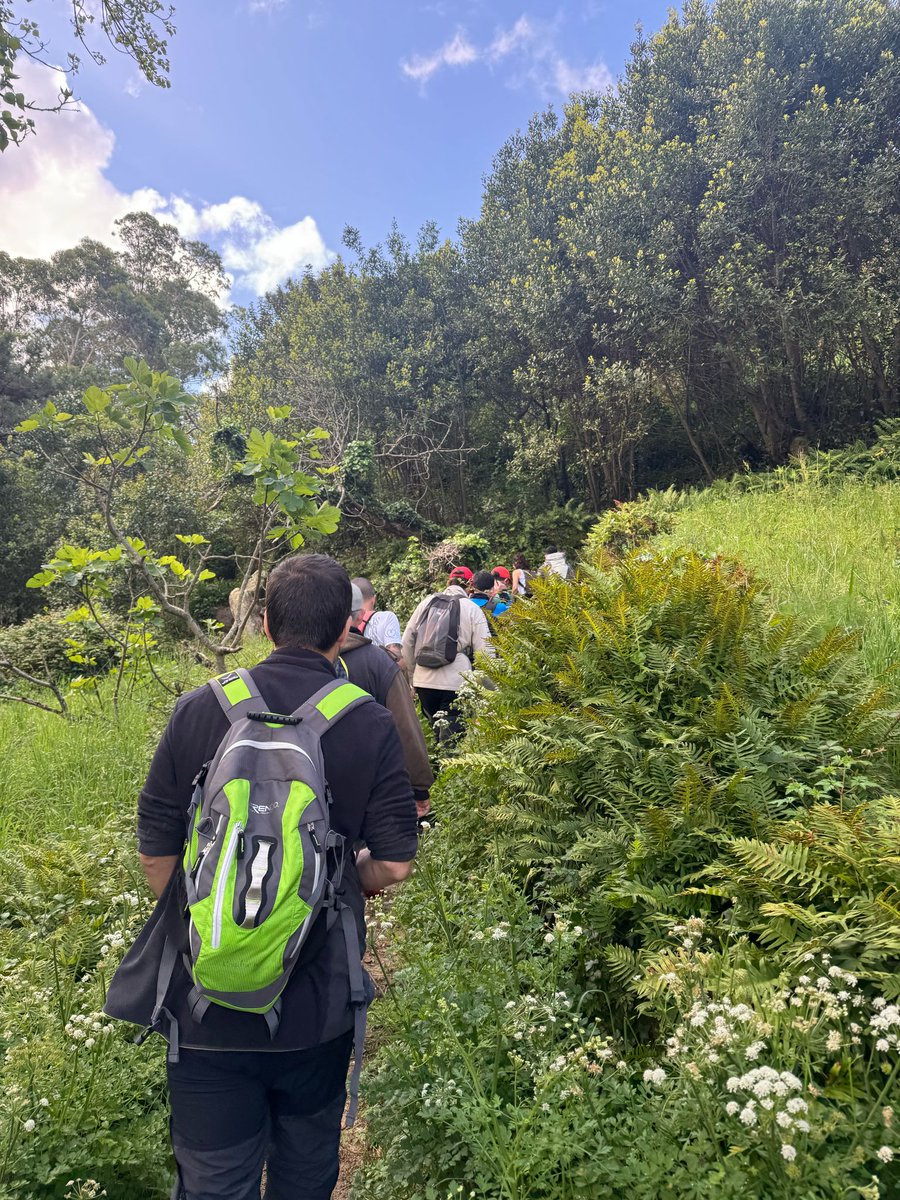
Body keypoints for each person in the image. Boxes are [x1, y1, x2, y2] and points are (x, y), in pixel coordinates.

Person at [114, 554, 418, 1200]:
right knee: (304, 1179)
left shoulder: (199, 709)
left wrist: (214, 924)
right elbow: (394, 862)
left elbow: (155, 855)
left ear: (264, 623)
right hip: (318, 1013)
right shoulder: (366, 721)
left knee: (213, 1184)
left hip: (205, 1012)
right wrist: (340, 880)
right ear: (345, 630)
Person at [341, 583, 434, 819]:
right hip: (375, 784)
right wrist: (420, 787)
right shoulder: (377, 661)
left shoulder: (303, 662)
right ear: (359, 614)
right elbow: (406, 728)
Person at [402, 566, 491, 743]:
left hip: (423, 682)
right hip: (456, 684)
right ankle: (445, 767)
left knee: (436, 735)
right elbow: (486, 652)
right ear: (469, 587)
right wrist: (488, 689)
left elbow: (406, 641)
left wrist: (413, 677)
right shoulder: (472, 608)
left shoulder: (426, 602)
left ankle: (433, 767)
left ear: (448, 582)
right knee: (452, 741)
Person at [350, 577, 403, 667]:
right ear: (374, 599)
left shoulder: (345, 621)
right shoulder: (387, 618)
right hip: (380, 675)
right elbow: (396, 657)